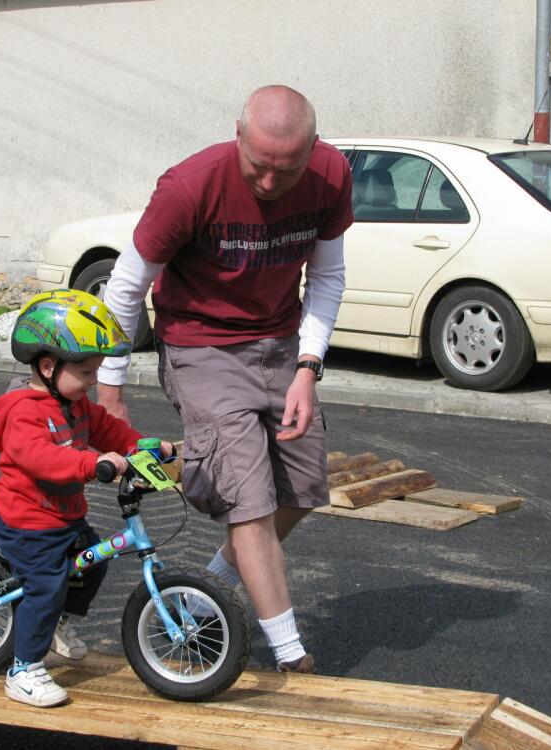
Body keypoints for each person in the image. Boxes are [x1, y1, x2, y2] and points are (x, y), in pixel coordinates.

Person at [98, 85, 352, 673]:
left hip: (281, 344)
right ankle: (290, 655)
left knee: (303, 489)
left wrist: (308, 368)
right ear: (237, 134)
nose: (270, 182)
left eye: (287, 169)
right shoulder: (189, 188)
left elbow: (328, 276)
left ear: (313, 148)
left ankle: (208, 586)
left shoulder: (331, 175)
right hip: (202, 346)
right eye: (259, 166)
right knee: (250, 502)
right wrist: (111, 390)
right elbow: (127, 288)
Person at [0, 288, 173, 707]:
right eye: (86, 372)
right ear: (48, 366)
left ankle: (57, 622)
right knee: (45, 588)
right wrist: (93, 463)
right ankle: (23, 670)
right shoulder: (23, 411)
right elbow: (41, 458)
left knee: (94, 563)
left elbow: (111, 431)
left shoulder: (76, 404)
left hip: (65, 517)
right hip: (28, 522)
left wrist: (143, 447)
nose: (93, 381)